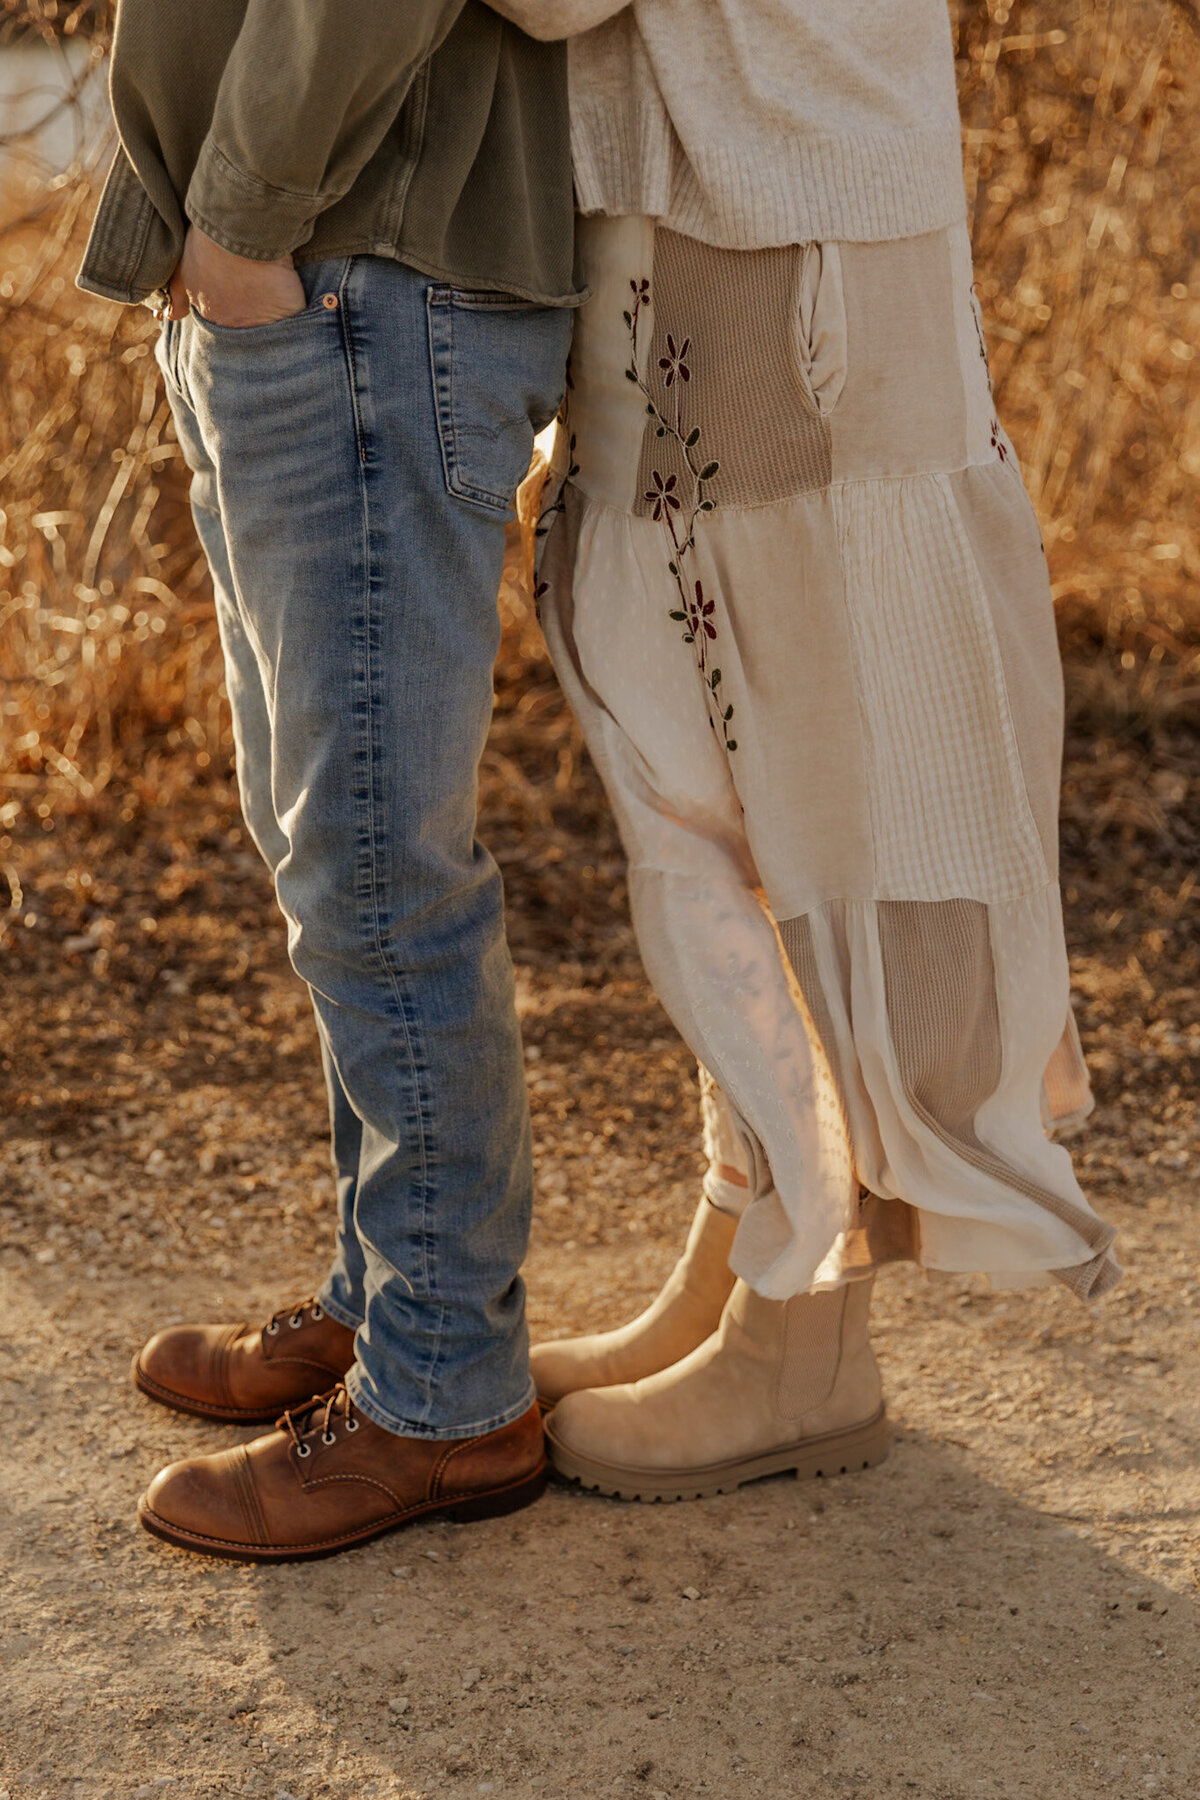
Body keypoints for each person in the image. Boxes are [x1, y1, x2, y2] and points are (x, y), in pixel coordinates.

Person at [484, 0, 1121, 1501]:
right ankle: (754, 1245)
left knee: (775, 799)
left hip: (780, 241)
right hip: (773, 213)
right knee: (735, 789)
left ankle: (805, 1338)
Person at [77, 0, 580, 1561]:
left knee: (374, 857)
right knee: (330, 850)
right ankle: (390, 1301)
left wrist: (237, 221)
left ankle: (446, 1395)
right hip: (312, 266)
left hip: (357, 269)